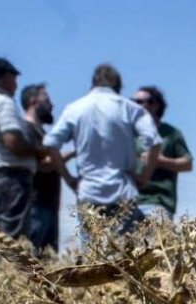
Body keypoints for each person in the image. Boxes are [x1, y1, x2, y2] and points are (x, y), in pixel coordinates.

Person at [43, 64, 161, 234]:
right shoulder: (130, 109)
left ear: (93, 84)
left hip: (88, 191)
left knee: (93, 255)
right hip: (122, 191)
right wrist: (144, 178)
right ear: (118, 86)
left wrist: (68, 179)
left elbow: (51, 143)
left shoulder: (75, 108)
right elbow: (154, 142)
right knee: (123, 255)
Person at [0, 58, 52, 240]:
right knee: (16, 244)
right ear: (4, 78)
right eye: (14, 79)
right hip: (12, 181)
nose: (16, 85)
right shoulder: (3, 102)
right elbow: (13, 142)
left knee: (2, 240)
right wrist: (39, 151)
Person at [21, 83, 77, 254]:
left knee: (46, 261)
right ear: (33, 100)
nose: (51, 105)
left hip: (48, 204)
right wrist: (75, 152)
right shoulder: (25, 129)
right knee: (32, 258)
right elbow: (43, 165)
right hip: (36, 204)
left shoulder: (40, 133)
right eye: (47, 100)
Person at [131, 86, 193, 221]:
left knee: (155, 241)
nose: (135, 106)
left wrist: (159, 161)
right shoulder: (129, 134)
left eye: (141, 102)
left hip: (157, 202)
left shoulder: (171, 134)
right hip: (129, 203)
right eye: (133, 101)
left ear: (155, 105)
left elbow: (187, 164)